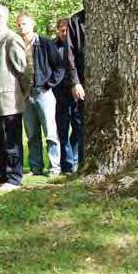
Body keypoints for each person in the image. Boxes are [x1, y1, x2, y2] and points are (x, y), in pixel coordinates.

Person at [17, 13, 64, 176]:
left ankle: (54, 167)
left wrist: (48, 84)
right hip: (24, 94)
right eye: (19, 25)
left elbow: (59, 66)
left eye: (24, 24)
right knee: (31, 134)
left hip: (43, 92)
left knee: (50, 132)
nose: (21, 27)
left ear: (32, 25)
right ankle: (35, 168)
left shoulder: (44, 43)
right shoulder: (16, 44)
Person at [0, 4, 28, 191]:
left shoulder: (12, 39)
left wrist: (24, 94)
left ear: (7, 17)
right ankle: (4, 176)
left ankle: (14, 178)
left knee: (11, 140)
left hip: (10, 99)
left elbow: (23, 70)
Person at [53, 18, 82, 173]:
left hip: (76, 92)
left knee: (78, 127)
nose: (65, 33)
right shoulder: (53, 46)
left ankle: (75, 160)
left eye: (67, 30)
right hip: (59, 93)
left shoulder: (76, 45)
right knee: (62, 129)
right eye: (62, 30)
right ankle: (67, 165)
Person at [65, 9, 86, 167]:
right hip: (83, 81)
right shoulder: (76, 20)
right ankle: (83, 163)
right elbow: (69, 54)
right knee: (82, 124)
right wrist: (75, 82)